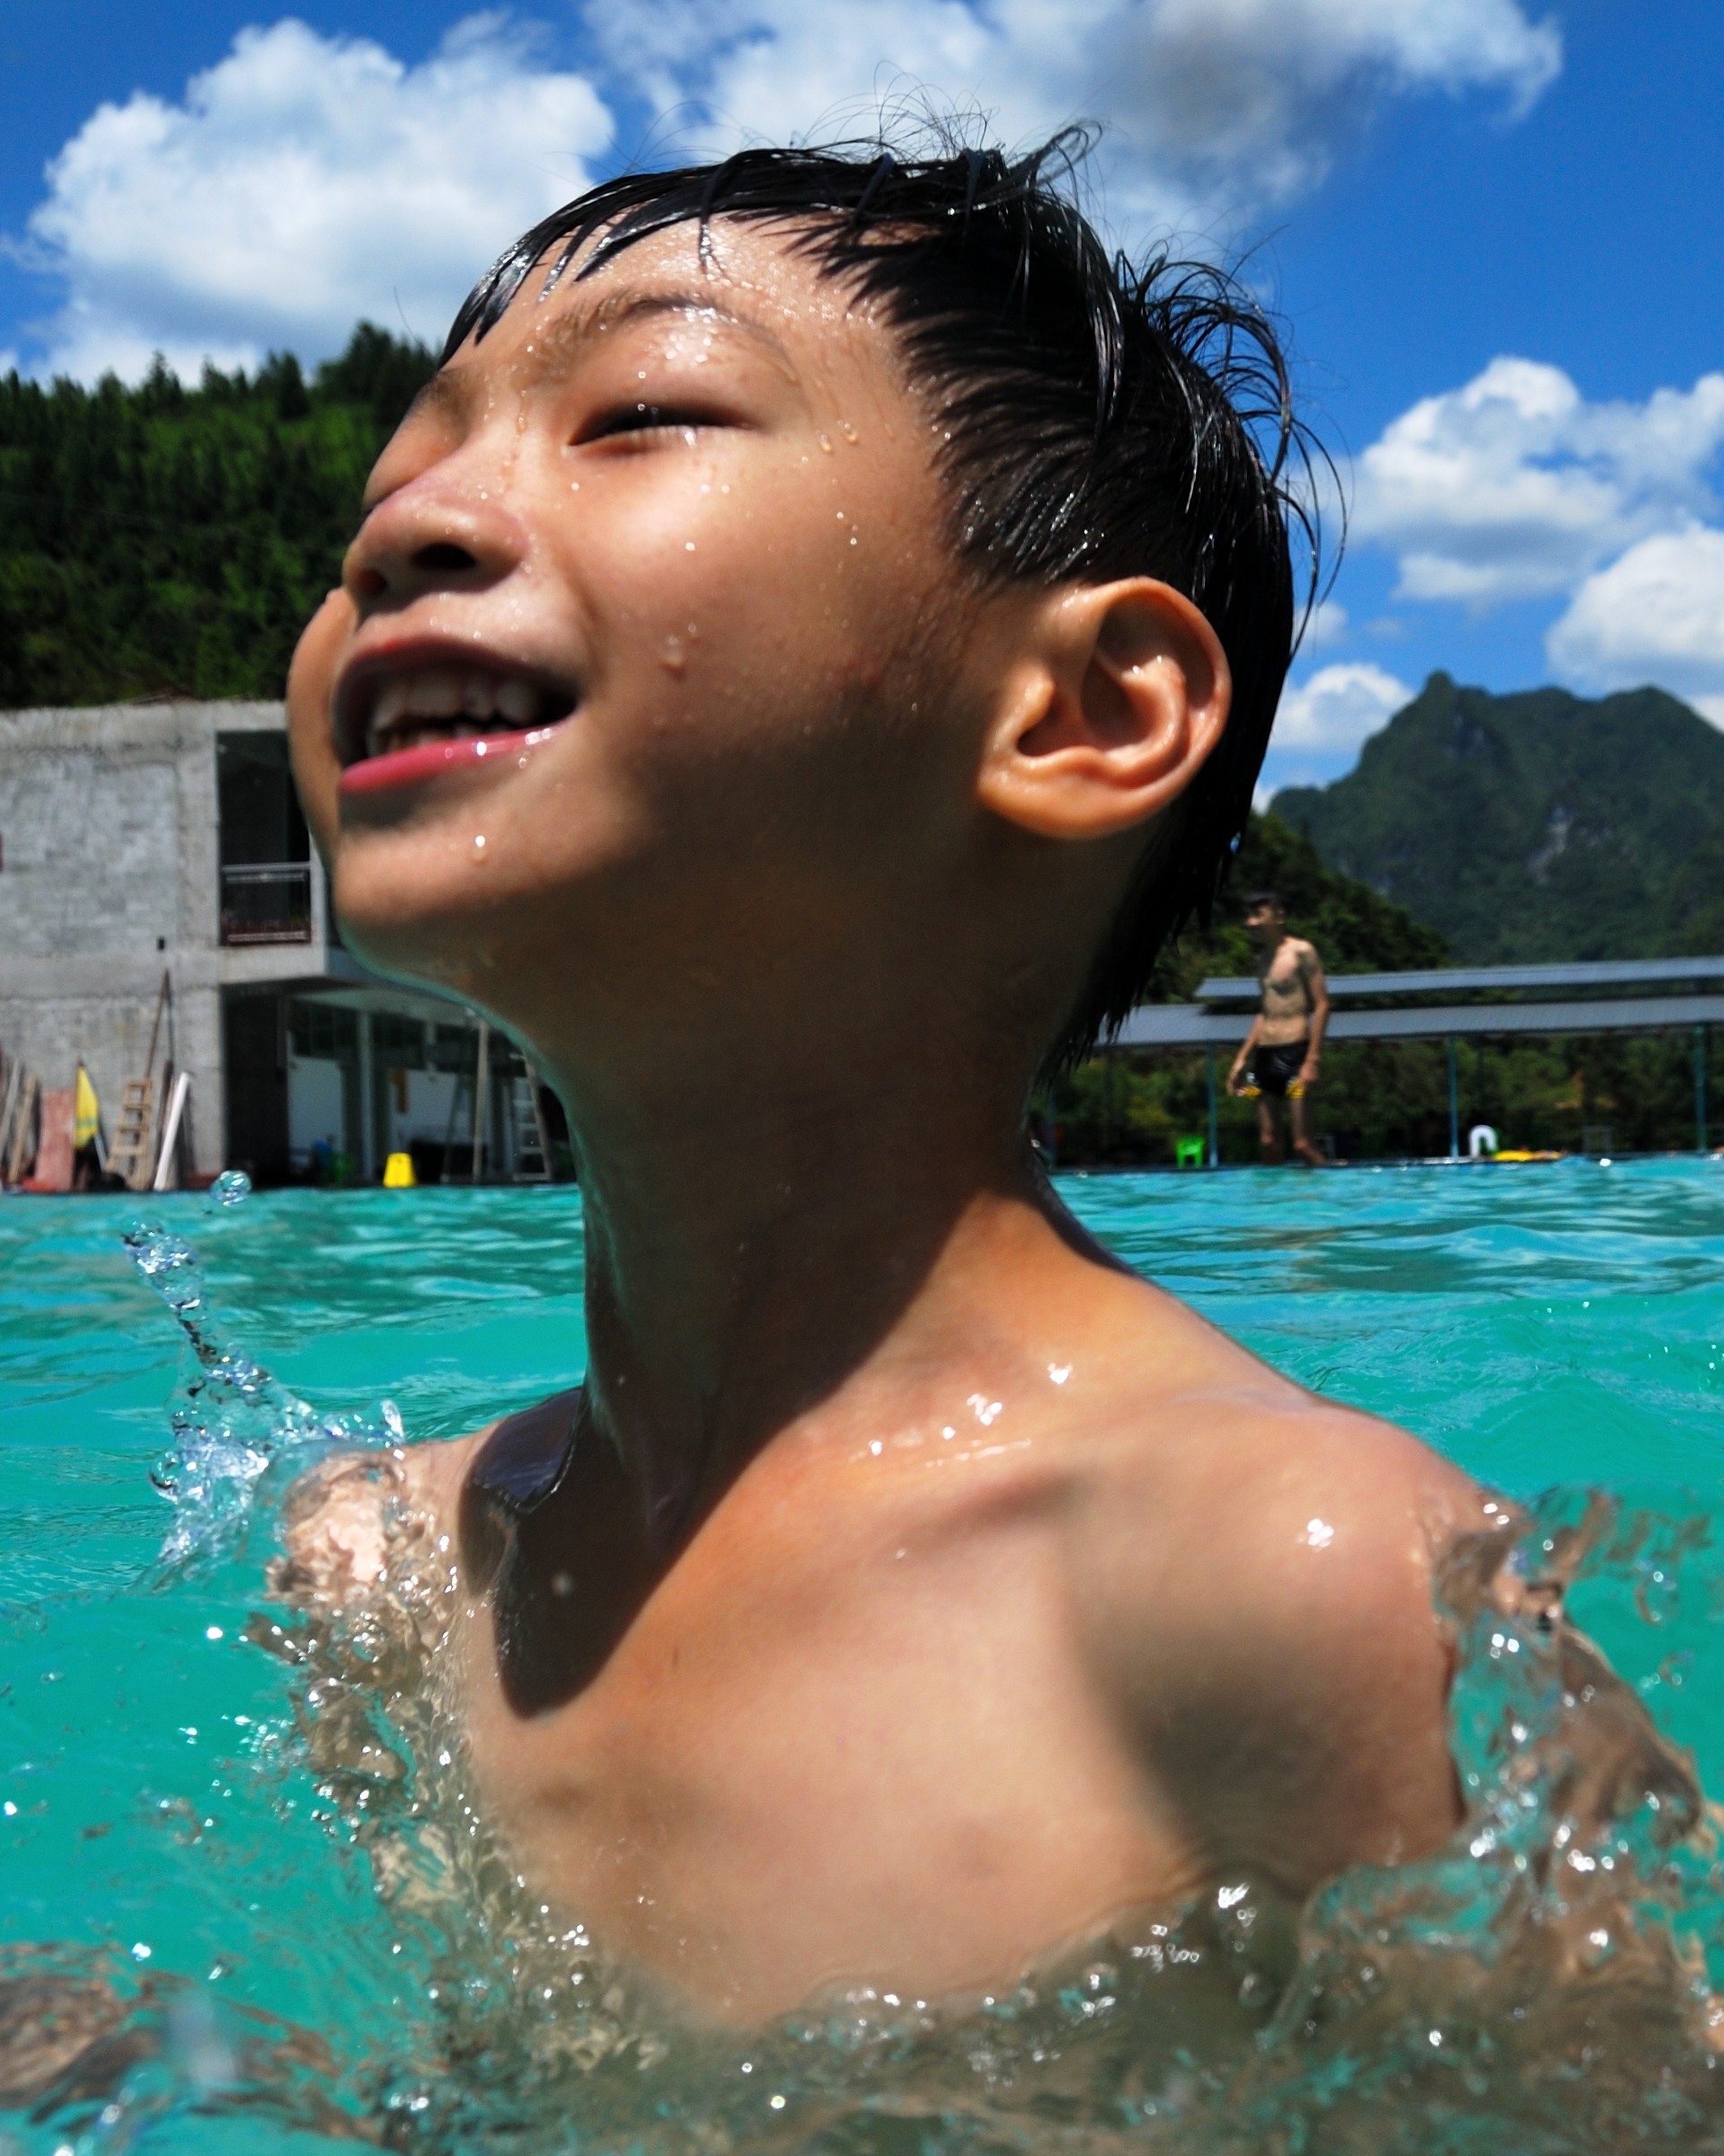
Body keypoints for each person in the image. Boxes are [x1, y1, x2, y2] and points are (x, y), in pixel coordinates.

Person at [266, 139, 1512, 2027]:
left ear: (1079, 714)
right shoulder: (381, 1573)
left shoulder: (1286, 1584)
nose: (404, 527)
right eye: (399, 469)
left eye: (638, 413)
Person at [1224, 887, 1331, 1165]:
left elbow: (1321, 1005)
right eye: (1249, 916)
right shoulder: (1261, 960)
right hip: (1264, 1059)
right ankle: (1275, 1208)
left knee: (1302, 1145)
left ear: (1279, 915)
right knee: (1268, 1143)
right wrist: (1240, 1059)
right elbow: (1265, 1012)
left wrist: (1312, 1060)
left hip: (1295, 1055)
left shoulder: (1302, 952)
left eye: (1258, 915)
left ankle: (1328, 1201)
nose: (1251, 923)